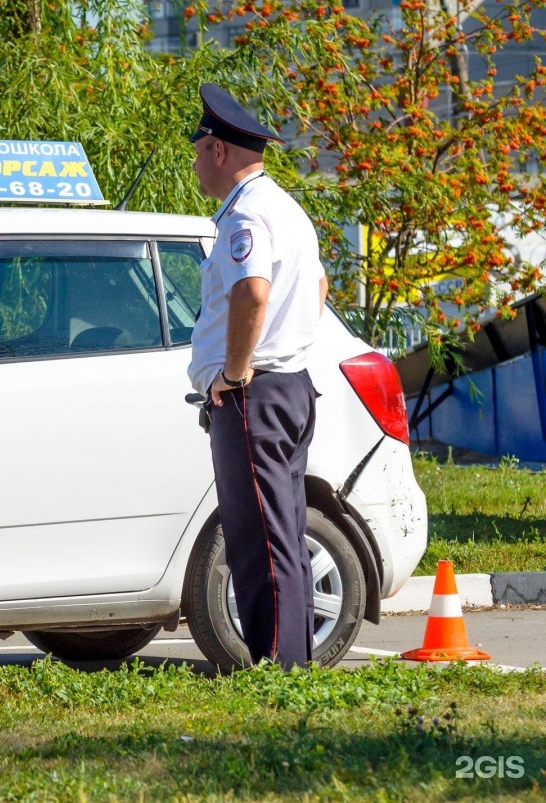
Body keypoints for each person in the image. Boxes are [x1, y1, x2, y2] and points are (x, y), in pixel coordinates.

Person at [187, 83, 329, 670]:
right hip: (288, 387)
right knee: (283, 535)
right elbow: (318, 288)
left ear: (219, 150)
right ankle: (290, 664)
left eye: (198, 151)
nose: (195, 163)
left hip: (255, 395)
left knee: (259, 542)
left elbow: (251, 292)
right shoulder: (286, 207)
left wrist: (236, 372)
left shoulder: (246, 213)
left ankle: (277, 668)